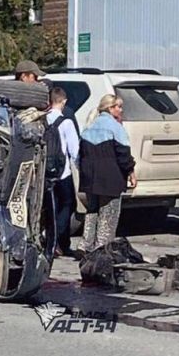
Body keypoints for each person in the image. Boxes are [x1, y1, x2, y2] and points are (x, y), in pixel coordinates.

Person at [76, 94, 136, 255]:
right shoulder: (115, 127)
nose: (120, 110)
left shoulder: (90, 126)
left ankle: (85, 245)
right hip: (110, 177)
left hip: (90, 177)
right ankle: (102, 248)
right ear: (110, 108)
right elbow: (123, 154)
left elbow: (79, 155)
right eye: (118, 106)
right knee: (108, 214)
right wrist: (130, 171)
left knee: (92, 211)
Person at [46, 87, 80, 257]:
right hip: (63, 172)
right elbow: (75, 151)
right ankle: (58, 241)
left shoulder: (42, 120)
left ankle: (53, 242)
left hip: (45, 172)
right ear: (64, 101)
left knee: (50, 207)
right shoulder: (66, 122)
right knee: (68, 204)